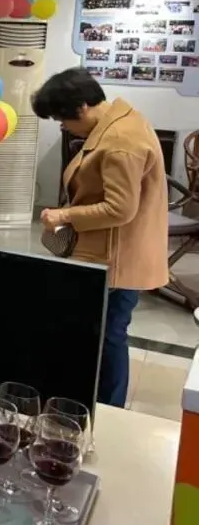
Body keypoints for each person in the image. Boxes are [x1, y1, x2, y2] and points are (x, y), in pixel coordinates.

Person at [31, 67, 169, 408]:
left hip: (116, 259)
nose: (64, 127)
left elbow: (119, 209)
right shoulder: (116, 124)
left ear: (81, 107)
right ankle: (96, 402)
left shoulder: (120, 141)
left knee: (109, 336)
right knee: (106, 333)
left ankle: (108, 408)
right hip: (112, 252)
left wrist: (65, 215)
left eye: (62, 119)